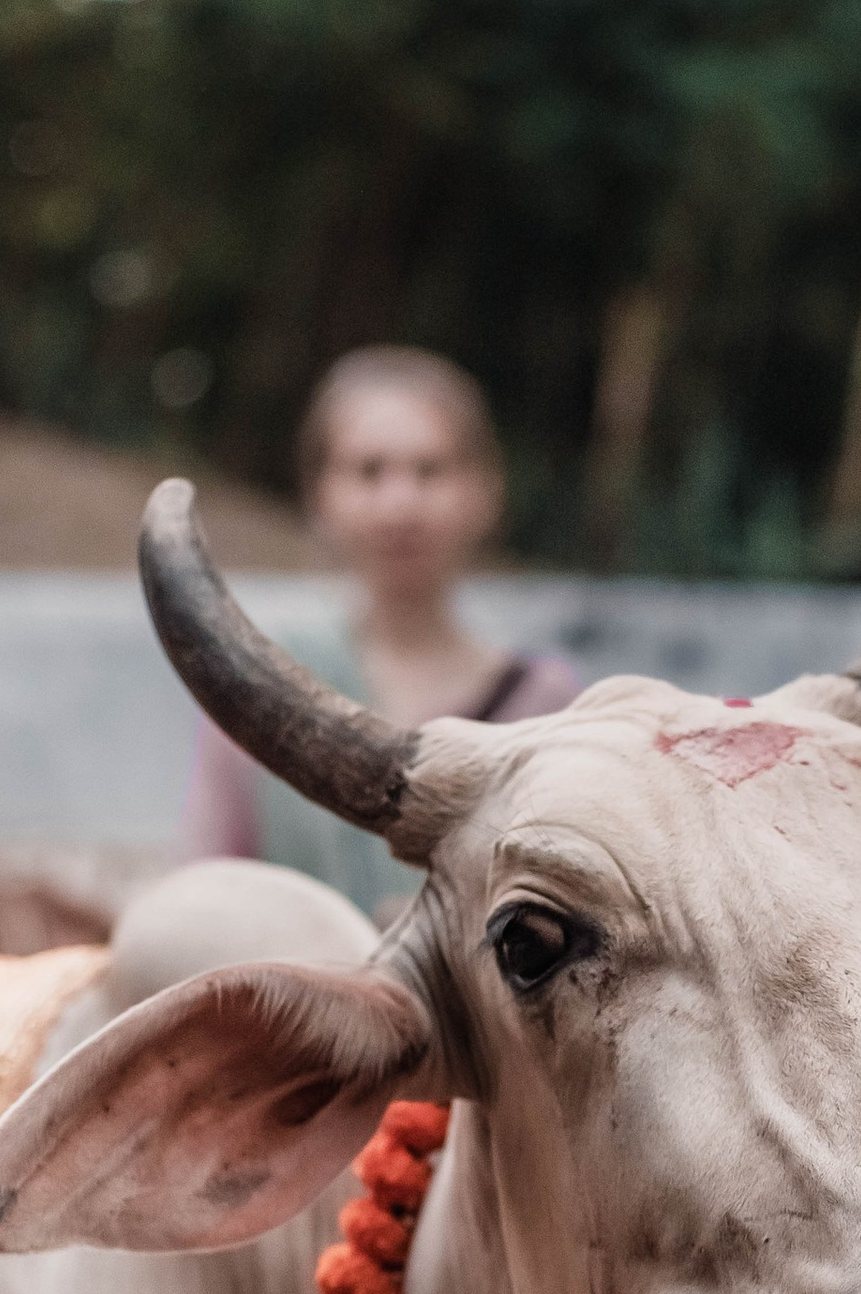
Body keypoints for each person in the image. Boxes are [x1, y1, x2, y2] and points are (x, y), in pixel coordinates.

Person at [179, 346, 579, 916]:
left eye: (430, 470)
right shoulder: (263, 681)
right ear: (321, 495)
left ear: (485, 492)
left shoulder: (543, 701)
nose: (399, 504)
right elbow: (202, 896)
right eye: (369, 471)